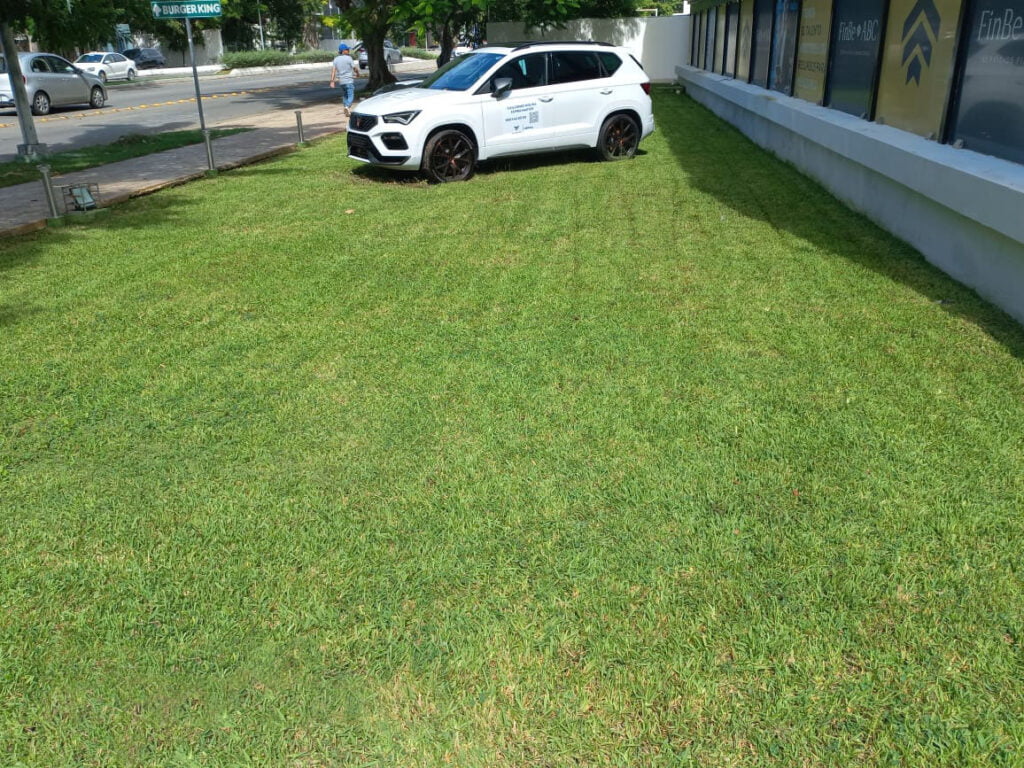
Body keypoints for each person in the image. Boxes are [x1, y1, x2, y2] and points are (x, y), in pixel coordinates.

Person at [329, 43, 360, 116]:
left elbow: (333, 71)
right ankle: (347, 106)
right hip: (349, 81)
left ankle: (346, 109)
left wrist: (332, 81)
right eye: (347, 49)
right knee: (350, 95)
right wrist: (358, 73)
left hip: (341, 82)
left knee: (345, 95)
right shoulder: (349, 58)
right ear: (343, 51)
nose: (348, 50)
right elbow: (354, 68)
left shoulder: (336, 59)